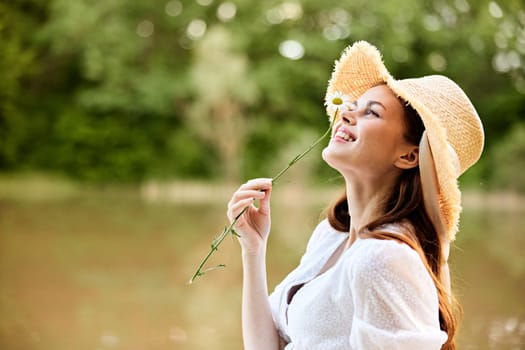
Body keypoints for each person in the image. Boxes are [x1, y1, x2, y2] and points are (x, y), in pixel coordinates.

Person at [226, 41, 484, 350]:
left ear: (409, 156)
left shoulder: (383, 258)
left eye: (371, 113)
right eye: (353, 105)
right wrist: (253, 249)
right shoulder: (331, 236)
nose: (347, 112)